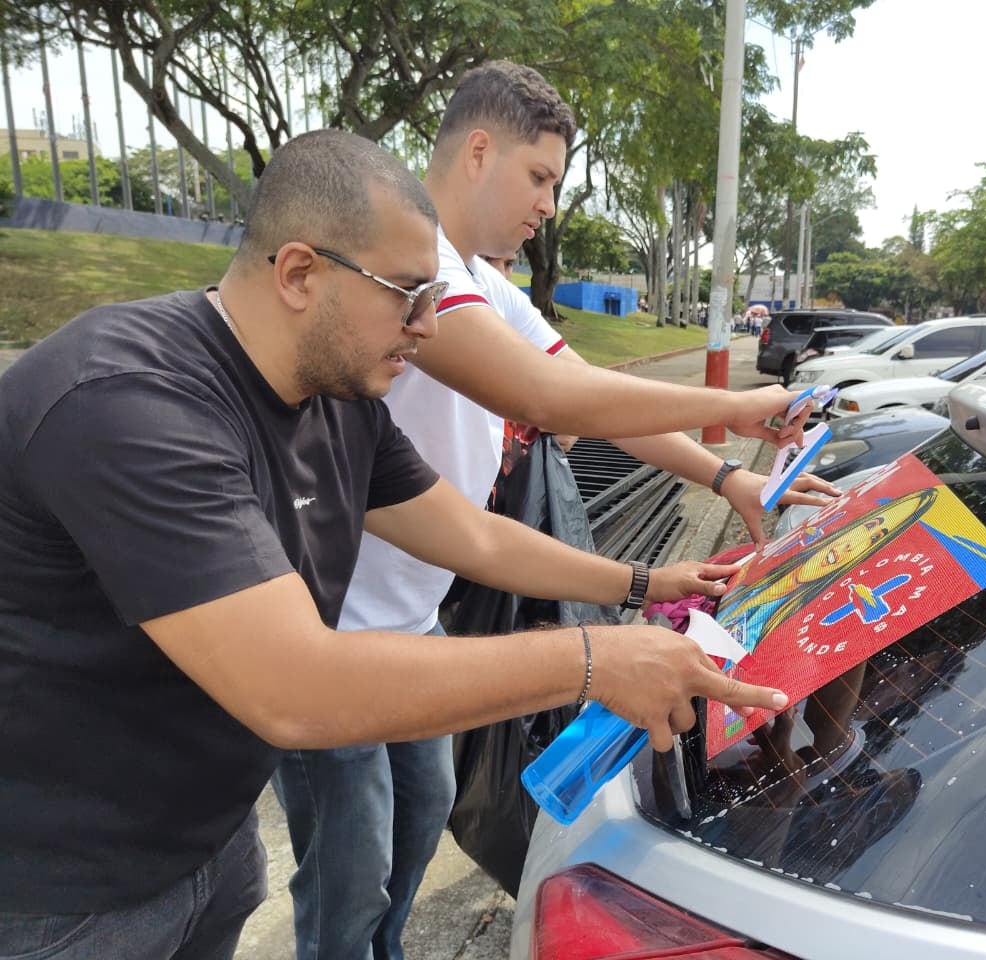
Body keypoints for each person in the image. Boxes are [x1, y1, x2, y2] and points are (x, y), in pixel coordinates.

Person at [0, 128, 794, 960]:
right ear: (300, 272)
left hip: (204, 836)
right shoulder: (129, 405)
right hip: (63, 887)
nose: (426, 328)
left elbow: (472, 537)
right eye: (407, 294)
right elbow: (294, 689)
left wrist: (642, 585)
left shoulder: (339, 400)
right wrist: (597, 659)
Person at [270, 62, 839, 960]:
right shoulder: (415, 282)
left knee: (414, 829)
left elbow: (576, 392)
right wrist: (731, 413)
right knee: (350, 869)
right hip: (332, 626)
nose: (548, 205)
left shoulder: (482, 284)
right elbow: (555, 398)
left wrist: (727, 480)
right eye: (540, 178)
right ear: (479, 150)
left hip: (417, 612)